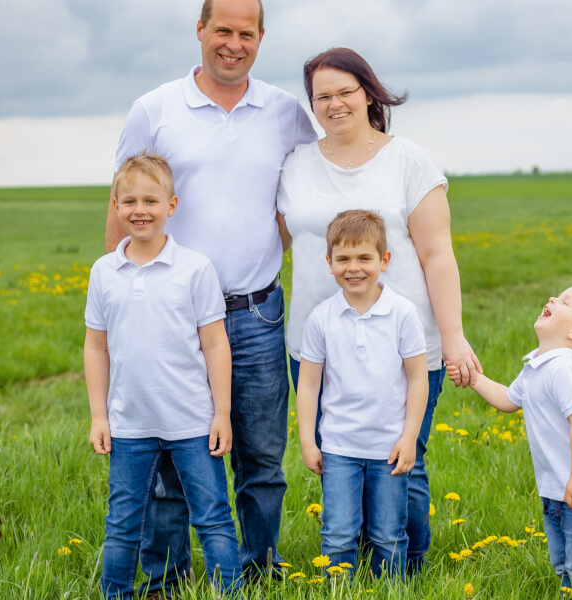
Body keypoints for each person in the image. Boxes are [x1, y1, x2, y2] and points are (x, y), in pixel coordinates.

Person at [104, 0, 317, 588]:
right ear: (199, 30)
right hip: (169, 318)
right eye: (221, 30)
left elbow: (296, 198)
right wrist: (121, 300)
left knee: (261, 457)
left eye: (246, 33)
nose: (233, 43)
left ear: (261, 37)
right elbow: (121, 208)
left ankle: (260, 569)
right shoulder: (155, 109)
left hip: (253, 313)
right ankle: (166, 578)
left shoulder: (284, 113)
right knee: (169, 457)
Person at [276, 47, 481, 572]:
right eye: (322, 96)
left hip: (403, 343)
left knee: (402, 462)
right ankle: (352, 562)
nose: (334, 104)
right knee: (342, 460)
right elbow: (275, 243)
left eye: (345, 91)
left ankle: (405, 568)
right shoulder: (296, 165)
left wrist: (454, 338)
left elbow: (438, 255)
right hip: (318, 344)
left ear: (368, 92)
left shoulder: (408, 160)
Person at [85, 154, 242, 598]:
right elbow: (96, 346)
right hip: (130, 426)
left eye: (151, 200)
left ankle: (229, 592)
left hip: (193, 422)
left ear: (171, 206)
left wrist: (222, 413)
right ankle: (117, 593)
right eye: (129, 200)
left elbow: (215, 345)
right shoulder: (104, 272)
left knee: (213, 517)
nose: (140, 210)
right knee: (123, 524)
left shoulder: (194, 269)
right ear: (115, 206)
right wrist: (100, 415)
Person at [447, 281, 572, 600]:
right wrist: (473, 377)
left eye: (565, 301)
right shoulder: (536, 368)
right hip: (555, 489)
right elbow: (507, 400)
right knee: (563, 564)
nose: (553, 298)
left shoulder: (564, 372)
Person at [296, 210, 429, 577]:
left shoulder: (402, 313)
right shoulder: (321, 318)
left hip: (389, 449)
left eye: (364, 258)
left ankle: (390, 589)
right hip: (340, 448)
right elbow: (308, 385)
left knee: (388, 535)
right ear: (329, 263)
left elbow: (418, 379)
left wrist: (409, 438)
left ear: (384, 261)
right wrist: (309, 441)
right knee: (338, 533)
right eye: (343, 259)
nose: (354, 268)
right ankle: (339, 588)